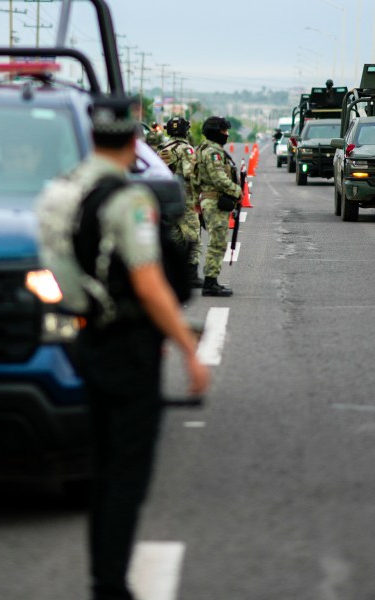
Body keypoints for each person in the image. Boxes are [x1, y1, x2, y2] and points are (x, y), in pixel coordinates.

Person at [64, 96, 211, 600]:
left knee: (102, 471)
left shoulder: (61, 194)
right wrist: (188, 348)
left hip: (85, 339)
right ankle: (109, 585)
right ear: (134, 141)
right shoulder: (128, 202)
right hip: (128, 348)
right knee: (125, 476)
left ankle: (103, 577)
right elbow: (151, 285)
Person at [196, 115, 240, 297]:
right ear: (215, 132)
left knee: (216, 242)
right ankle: (210, 282)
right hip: (214, 202)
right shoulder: (213, 152)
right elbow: (219, 178)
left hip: (208, 200)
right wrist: (237, 191)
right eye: (223, 131)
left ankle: (211, 280)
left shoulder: (202, 149)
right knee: (217, 243)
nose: (227, 134)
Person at [157, 116, 203, 289]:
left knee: (175, 237)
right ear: (186, 130)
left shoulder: (162, 149)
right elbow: (190, 173)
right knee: (192, 237)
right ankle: (191, 275)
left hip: (167, 199)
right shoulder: (186, 149)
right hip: (185, 199)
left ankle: (172, 275)